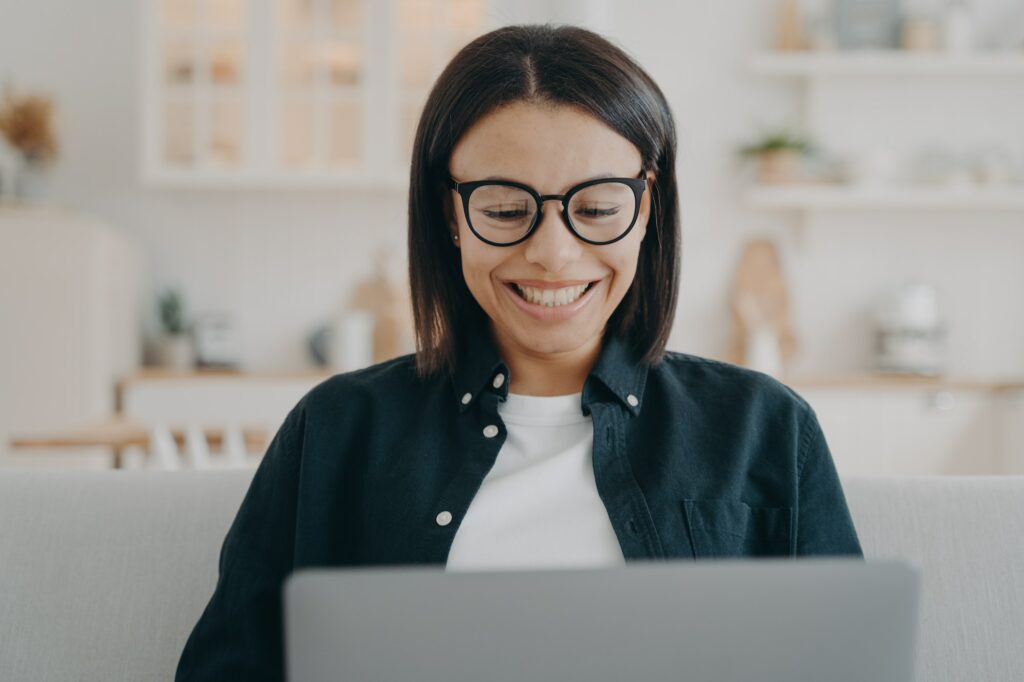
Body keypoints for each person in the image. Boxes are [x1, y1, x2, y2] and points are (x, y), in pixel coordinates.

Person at [175, 22, 862, 681]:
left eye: (595, 208)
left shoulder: (764, 427)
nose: (553, 254)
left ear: (647, 208)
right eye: (505, 210)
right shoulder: (335, 431)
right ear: (450, 215)